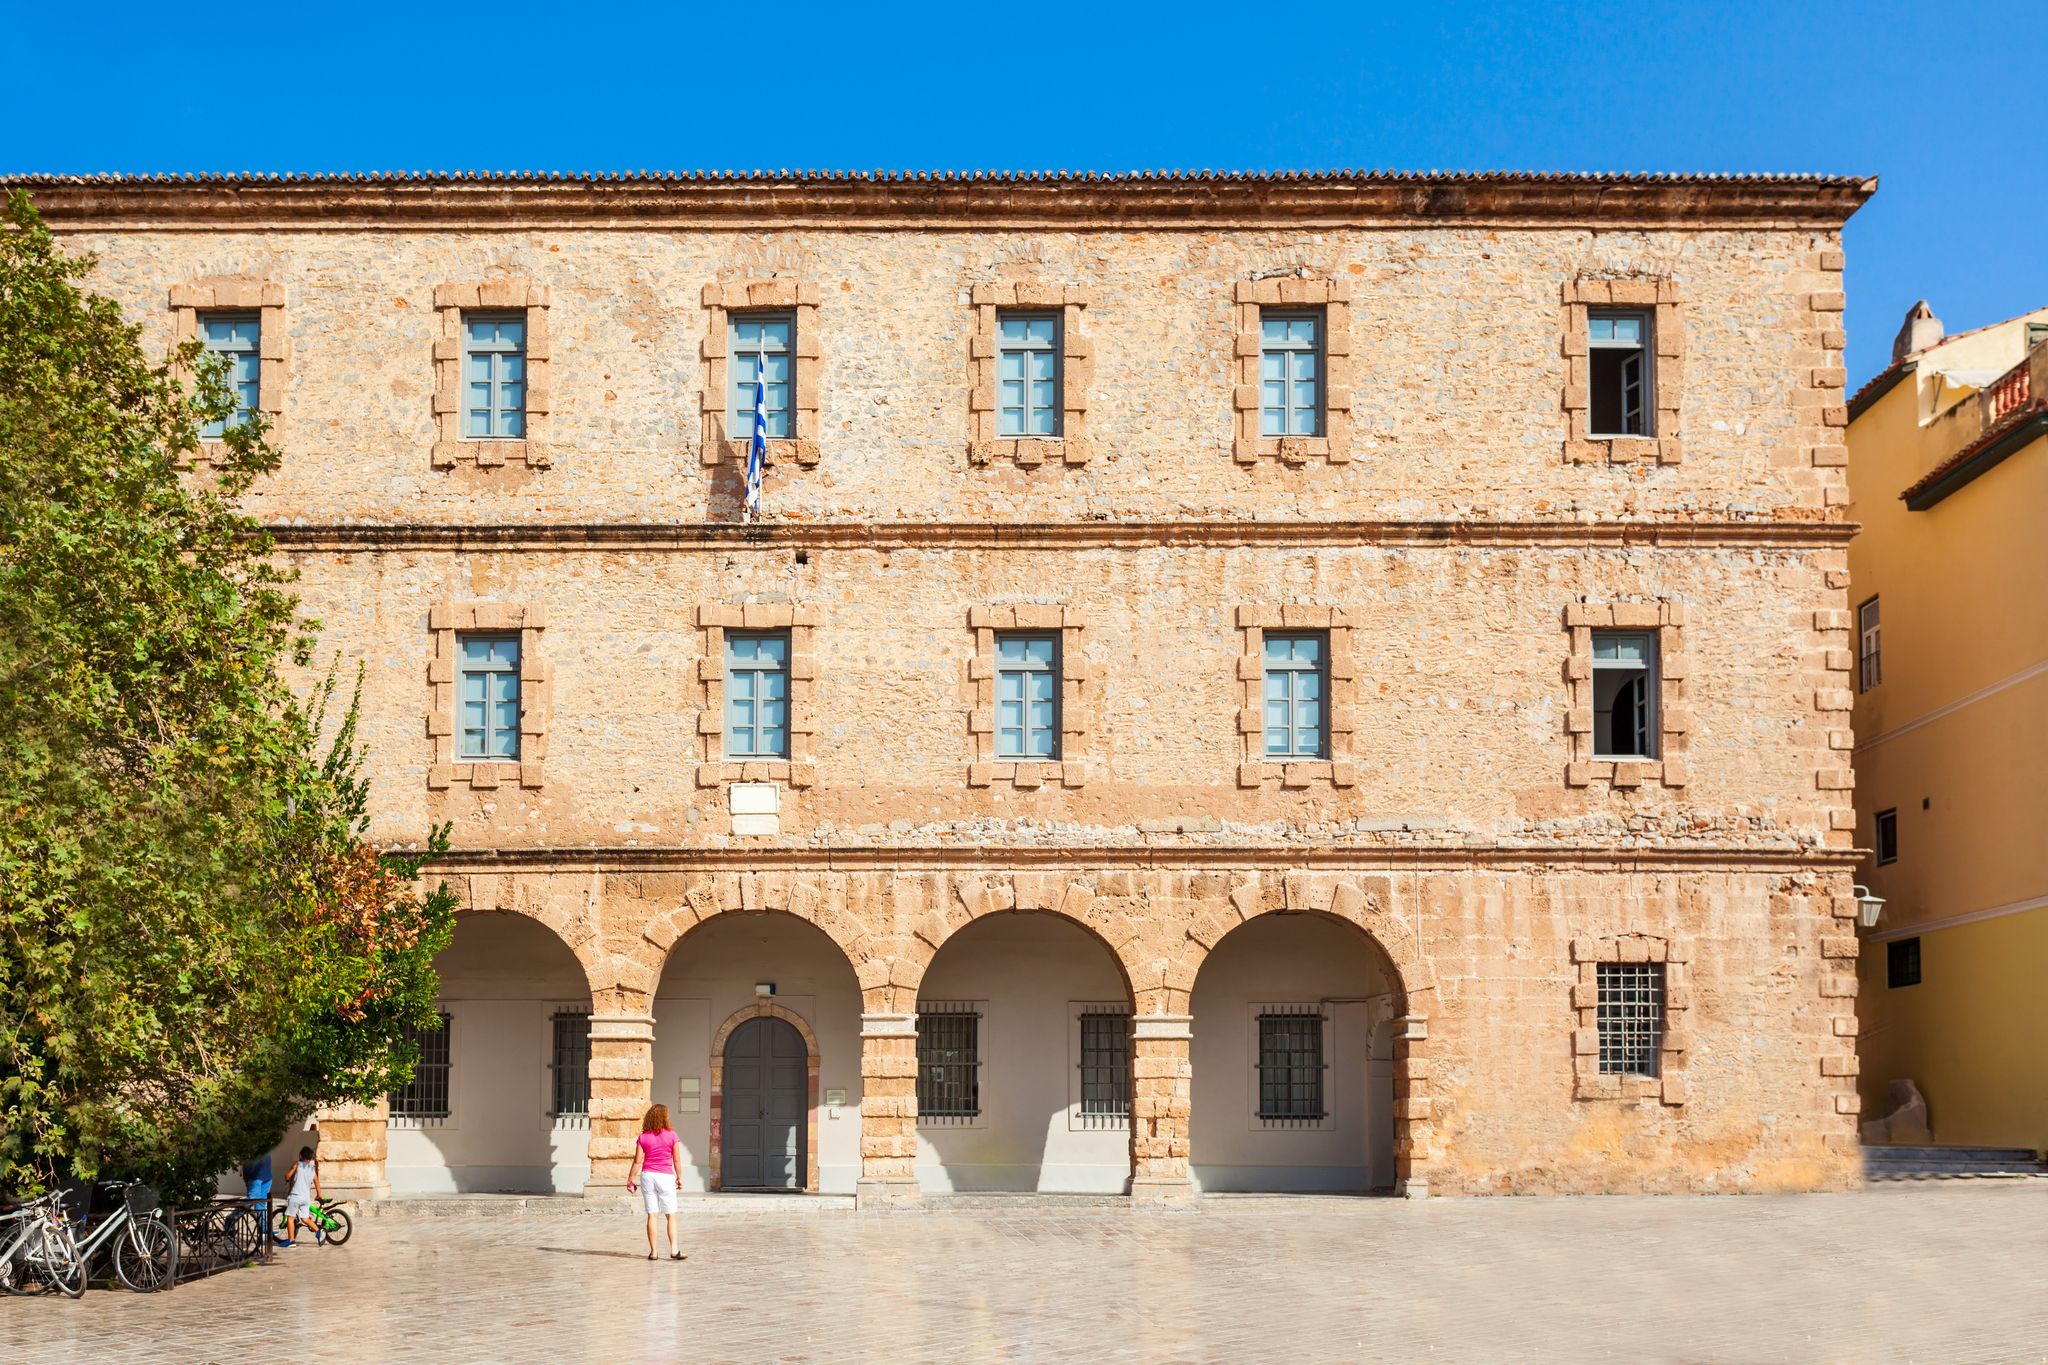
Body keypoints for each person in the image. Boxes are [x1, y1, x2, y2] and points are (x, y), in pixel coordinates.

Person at [624, 1104, 684, 1261]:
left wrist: (630, 1180)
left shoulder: (643, 1137)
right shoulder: (672, 1136)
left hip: (648, 1176)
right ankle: (674, 1250)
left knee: (652, 1215)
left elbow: (637, 1162)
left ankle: (654, 1252)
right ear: (664, 1118)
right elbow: (676, 1160)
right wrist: (679, 1177)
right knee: (670, 1215)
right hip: (665, 1176)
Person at [279, 1145, 320, 1246]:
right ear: (310, 1157)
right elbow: (316, 1182)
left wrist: (288, 1176)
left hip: (296, 1196)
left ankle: (291, 1240)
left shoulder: (297, 1164)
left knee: (290, 1218)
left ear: (301, 1155)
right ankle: (319, 1231)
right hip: (306, 1198)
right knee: (305, 1219)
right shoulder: (312, 1169)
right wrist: (319, 1194)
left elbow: (287, 1176)